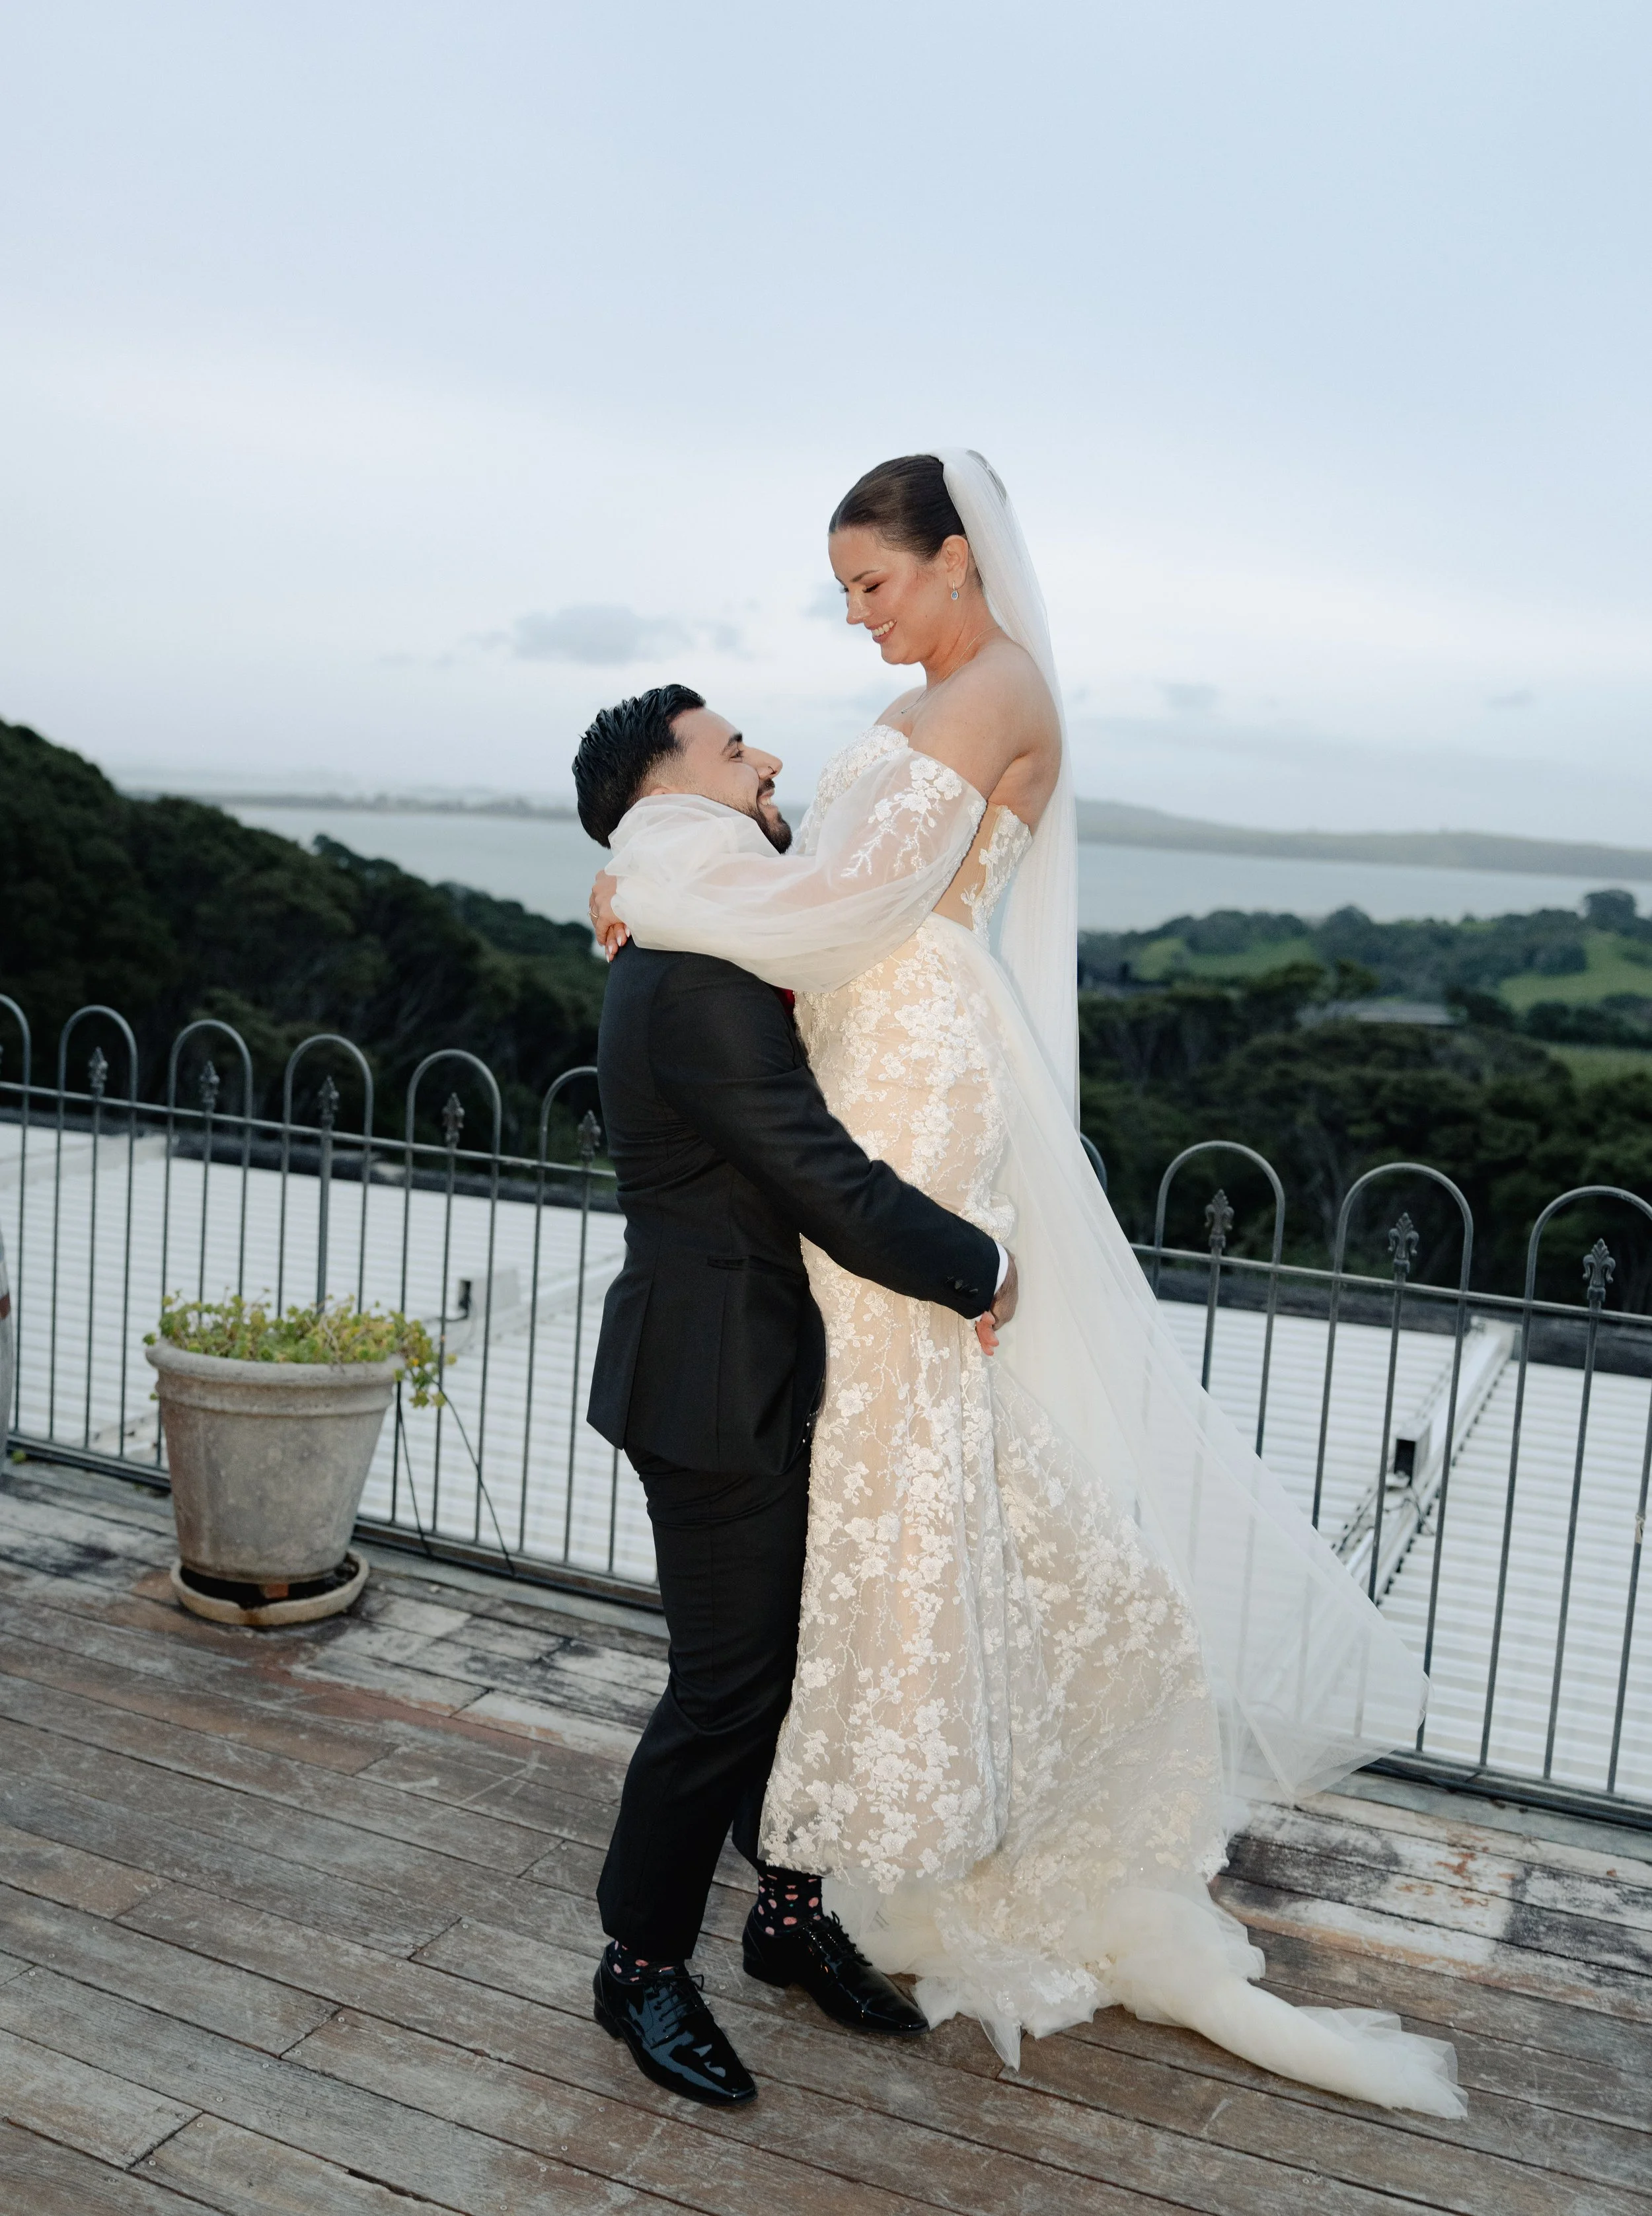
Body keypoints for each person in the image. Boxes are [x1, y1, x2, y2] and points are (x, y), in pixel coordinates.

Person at [586, 451, 1466, 2118]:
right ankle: (771, 1903)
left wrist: (664, 875)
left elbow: (851, 900)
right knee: (842, 1518)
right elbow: (803, 905)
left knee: (888, 1470)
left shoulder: (993, 690)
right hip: (846, 1058)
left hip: (901, 1058)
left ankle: (787, 1897)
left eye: (872, 583)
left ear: (958, 559)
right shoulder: (935, 701)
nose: (854, 620)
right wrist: (662, 877)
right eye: (842, 591)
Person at [573, 682, 1018, 2107]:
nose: (764, 755)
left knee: (790, 1665)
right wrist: (979, 1268)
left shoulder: (704, 936)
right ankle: (638, 1966)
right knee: (722, 1692)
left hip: (761, 1364)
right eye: (727, 746)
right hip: (712, 1381)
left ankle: (783, 1918)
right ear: (669, 795)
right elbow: (817, 1178)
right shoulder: (691, 979)